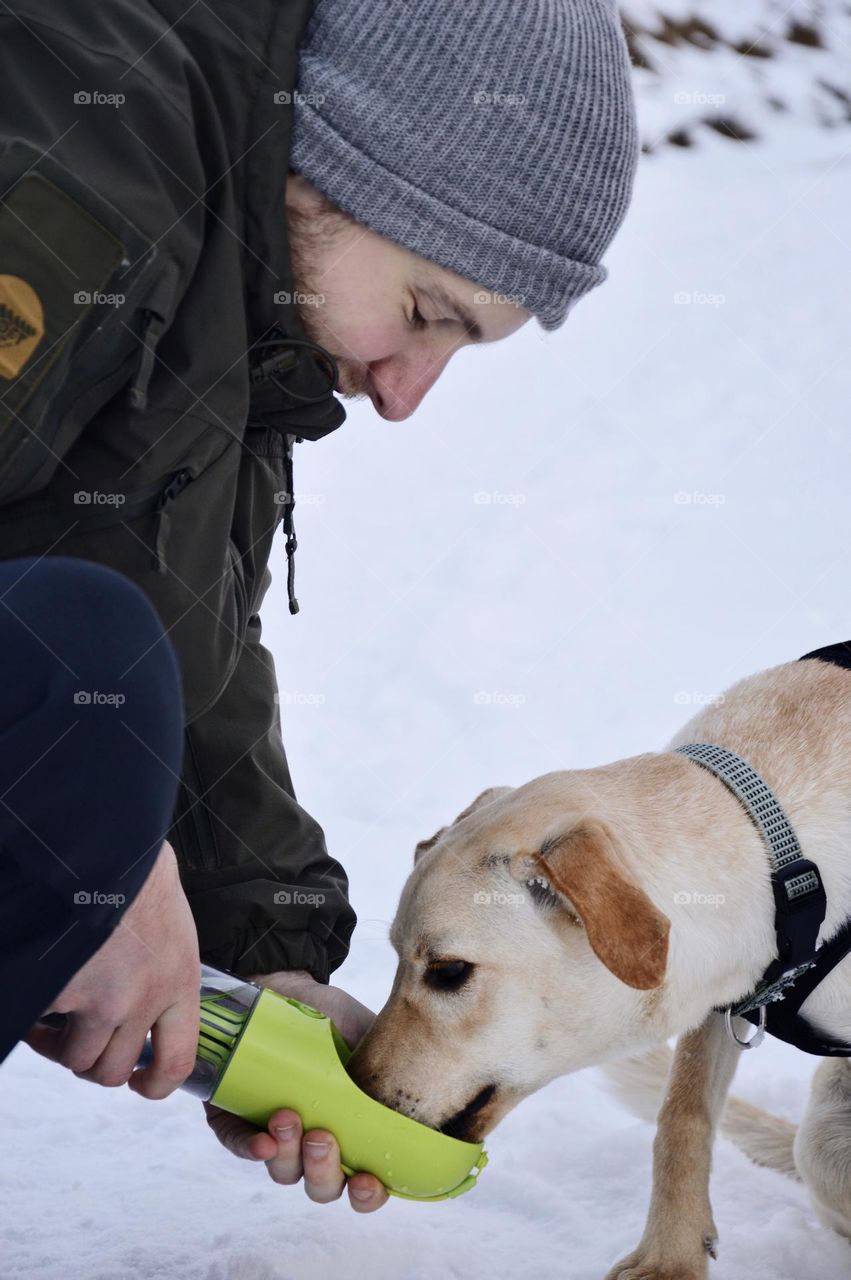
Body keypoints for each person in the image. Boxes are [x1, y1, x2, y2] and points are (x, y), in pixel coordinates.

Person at [0, 0, 638, 1211]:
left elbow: (180, 644)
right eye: (421, 315)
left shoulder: (238, 280)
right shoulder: (73, 143)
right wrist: (91, 852)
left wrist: (264, 964)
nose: (403, 396)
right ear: (341, 158)